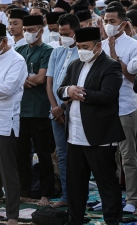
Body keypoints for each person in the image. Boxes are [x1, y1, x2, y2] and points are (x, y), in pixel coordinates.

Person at [56, 27, 124, 224]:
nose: (81, 50)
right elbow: (61, 89)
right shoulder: (75, 65)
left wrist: (80, 94)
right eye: (78, 46)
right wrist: (69, 90)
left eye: (85, 47)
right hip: (75, 135)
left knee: (106, 184)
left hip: (99, 135)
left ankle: (112, 221)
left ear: (98, 46)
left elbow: (108, 95)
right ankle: (75, 219)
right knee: (75, 183)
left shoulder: (111, 66)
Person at [101, 4, 137, 214]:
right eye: (106, 21)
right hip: (105, 109)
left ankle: (132, 198)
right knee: (108, 157)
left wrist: (115, 56)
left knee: (128, 156)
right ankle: (110, 197)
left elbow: (133, 77)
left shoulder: (134, 46)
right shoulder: (99, 45)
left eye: (113, 22)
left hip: (126, 106)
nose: (109, 25)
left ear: (123, 23)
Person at [16, 14, 55, 206]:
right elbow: (14, 77)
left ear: (41, 30)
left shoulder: (47, 51)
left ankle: (45, 193)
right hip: (21, 110)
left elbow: (41, 78)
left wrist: (21, 81)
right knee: (21, 153)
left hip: (40, 110)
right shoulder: (20, 50)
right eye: (25, 30)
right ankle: (24, 191)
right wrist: (23, 81)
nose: (27, 33)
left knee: (43, 152)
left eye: (31, 30)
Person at [45, 13, 81, 208]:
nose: (62, 37)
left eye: (66, 33)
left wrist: (63, 107)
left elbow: (81, 86)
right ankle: (66, 197)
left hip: (75, 111)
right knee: (62, 155)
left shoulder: (83, 52)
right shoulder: (56, 52)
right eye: (60, 33)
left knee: (78, 155)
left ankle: (77, 196)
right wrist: (55, 108)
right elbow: (50, 83)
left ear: (75, 32)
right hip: (56, 112)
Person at [0, 23, 27, 225]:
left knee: (8, 171)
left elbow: (6, 90)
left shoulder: (17, 61)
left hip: (5, 122)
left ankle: (12, 215)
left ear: (3, 41)